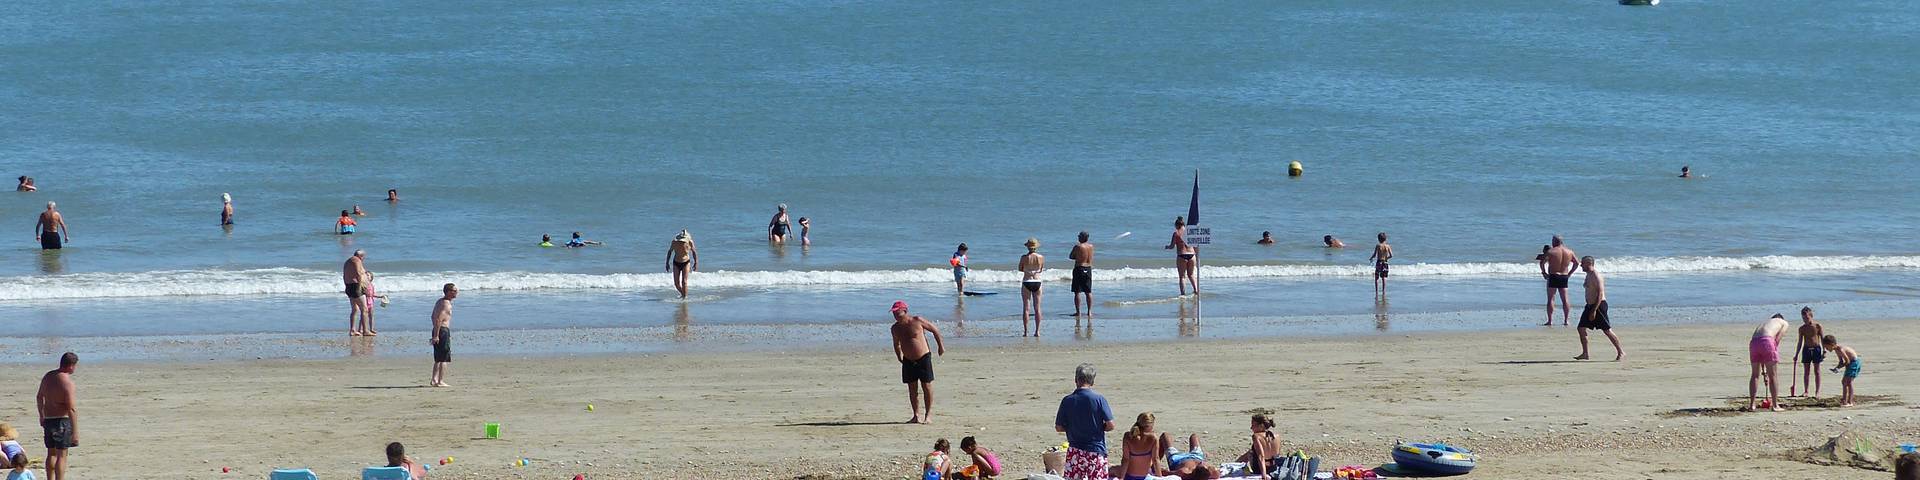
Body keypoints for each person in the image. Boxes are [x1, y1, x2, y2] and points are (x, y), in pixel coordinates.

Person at [1054, 364, 1114, 480]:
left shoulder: (1067, 400)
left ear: (1076, 380)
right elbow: (1111, 425)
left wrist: (1072, 427)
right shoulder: (1098, 399)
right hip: (1095, 449)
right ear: (1092, 382)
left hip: (1075, 450)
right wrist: (1100, 427)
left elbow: (1059, 427)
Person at [891, 301, 945, 424]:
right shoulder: (895, 328)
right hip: (908, 360)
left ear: (905, 311)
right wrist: (899, 356)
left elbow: (935, 330)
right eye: (894, 313)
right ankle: (916, 415)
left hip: (923, 358)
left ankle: (928, 415)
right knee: (912, 388)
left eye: (897, 312)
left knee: (926, 386)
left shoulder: (917, 321)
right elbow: (896, 344)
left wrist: (940, 346)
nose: (895, 315)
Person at [36, 352, 77, 480]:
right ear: (71, 366)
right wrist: (75, 432)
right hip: (62, 421)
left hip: (48, 420)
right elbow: (71, 408)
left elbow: (39, 397)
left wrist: (41, 415)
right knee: (62, 455)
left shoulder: (48, 376)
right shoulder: (67, 382)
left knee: (51, 454)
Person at [1575, 256, 1623, 361]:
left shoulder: (1596, 276)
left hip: (1599, 306)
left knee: (1607, 330)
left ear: (1588, 263)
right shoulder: (1588, 275)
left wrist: (1594, 310)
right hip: (1589, 306)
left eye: (1582, 263)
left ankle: (1621, 352)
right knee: (1581, 328)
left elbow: (1600, 294)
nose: (1580, 265)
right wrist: (1590, 307)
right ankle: (1585, 353)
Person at [1748, 314, 1790, 412]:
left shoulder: (1765, 323)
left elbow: (1761, 347)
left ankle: (1752, 405)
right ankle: (1775, 405)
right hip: (1767, 341)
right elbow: (1777, 340)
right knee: (1773, 375)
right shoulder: (1783, 323)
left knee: (1754, 375)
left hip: (1754, 342)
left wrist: (1764, 371)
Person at [1541, 236, 1577, 326]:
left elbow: (1542, 263)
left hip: (1553, 275)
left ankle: (1550, 320)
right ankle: (1566, 320)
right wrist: (1569, 274)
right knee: (1565, 299)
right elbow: (1576, 263)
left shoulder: (1551, 251)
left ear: (1555, 241)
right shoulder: (1570, 251)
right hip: (1564, 276)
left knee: (1551, 299)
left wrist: (1544, 272)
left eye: (1552, 241)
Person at [1791, 306, 1825, 398]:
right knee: (1806, 371)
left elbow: (1822, 339)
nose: (1805, 320)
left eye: (1806, 318)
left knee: (1817, 371)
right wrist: (1796, 354)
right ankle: (1806, 391)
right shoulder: (1802, 328)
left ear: (1811, 316)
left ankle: (1817, 392)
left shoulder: (1817, 326)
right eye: (1803, 318)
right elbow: (1800, 342)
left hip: (1816, 349)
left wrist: (1824, 351)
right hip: (1806, 349)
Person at [1117, 413, 1161, 480]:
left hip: (1129, 476)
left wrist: (1122, 477)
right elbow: (1155, 459)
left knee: (1113, 469)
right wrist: (1160, 478)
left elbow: (1125, 459)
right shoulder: (1153, 438)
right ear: (1150, 425)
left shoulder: (1128, 436)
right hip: (1145, 476)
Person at [430, 283, 458, 387]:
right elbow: (438, 319)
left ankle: (434, 380)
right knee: (444, 358)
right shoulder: (446, 304)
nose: (456, 293)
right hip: (442, 330)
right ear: (448, 292)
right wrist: (437, 335)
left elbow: (432, 316)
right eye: (454, 291)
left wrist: (435, 332)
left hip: (437, 329)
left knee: (438, 358)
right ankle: (440, 381)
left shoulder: (439, 302)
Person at [1822, 335, 1860, 407]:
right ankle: (1844, 400)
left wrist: (1838, 369)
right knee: (1844, 382)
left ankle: (1850, 402)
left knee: (1848, 382)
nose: (1826, 349)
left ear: (1832, 344)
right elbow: (1841, 362)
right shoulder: (1836, 350)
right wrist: (1836, 368)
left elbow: (1847, 361)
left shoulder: (1840, 349)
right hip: (1850, 364)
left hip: (1854, 363)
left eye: (1827, 347)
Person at [1018, 238, 1045, 337]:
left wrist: (1027, 270)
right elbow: (1041, 269)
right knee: (1037, 308)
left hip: (1027, 281)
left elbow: (1020, 268)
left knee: (1026, 308)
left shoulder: (1024, 257)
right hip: (1037, 281)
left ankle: (1025, 331)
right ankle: (1037, 331)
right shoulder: (1041, 257)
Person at [1166, 217, 1198, 296]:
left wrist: (1167, 247)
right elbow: (1196, 246)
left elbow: (1172, 246)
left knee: (1182, 276)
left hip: (1182, 255)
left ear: (1177, 225)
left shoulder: (1176, 233)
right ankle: (1196, 290)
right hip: (1192, 255)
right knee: (1191, 275)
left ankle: (1183, 294)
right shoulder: (1190, 232)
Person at [343, 251, 371, 336]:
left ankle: (352, 330)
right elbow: (359, 273)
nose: (363, 259)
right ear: (361, 256)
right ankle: (366, 330)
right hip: (356, 287)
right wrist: (362, 287)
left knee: (355, 309)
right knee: (364, 309)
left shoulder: (348, 261)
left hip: (349, 286)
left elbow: (344, 276)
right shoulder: (357, 260)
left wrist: (346, 286)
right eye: (363, 257)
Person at [1069, 232, 1095, 322]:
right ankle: (1089, 311)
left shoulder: (1078, 246)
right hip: (1088, 268)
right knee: (1088, 291)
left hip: (1079, 268)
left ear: (1082, 237)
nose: (1078, 237)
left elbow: (1071, 256)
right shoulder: (1091, 246)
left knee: (1077, 292)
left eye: (1079, 236)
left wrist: (1078, 256)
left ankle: (1078, 312)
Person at [666, 230, 698, 299]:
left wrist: (696, 263)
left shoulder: (690, 242)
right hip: (676, 262)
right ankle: (683, 294)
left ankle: (684, 298)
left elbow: (694, 252)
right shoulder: (674, 242)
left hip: (686, 262)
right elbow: (670, 251)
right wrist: (667, 263)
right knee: (676, 284)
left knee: (684, 282)